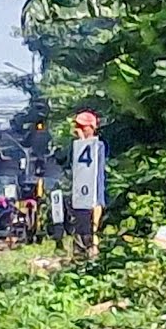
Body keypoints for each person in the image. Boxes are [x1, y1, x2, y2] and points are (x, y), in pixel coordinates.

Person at [69, 110, 107, 258]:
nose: (80, 129)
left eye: (83, 126)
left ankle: (91, 253)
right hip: (80, 193)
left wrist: (84, 141)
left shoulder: (98, 146)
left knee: (91, 227)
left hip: (94, 194)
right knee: (80, 227)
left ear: (92, 127)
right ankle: (80, 256)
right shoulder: (76, 147)